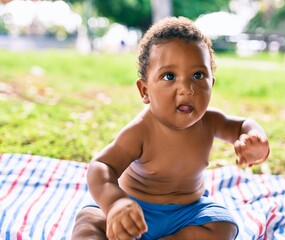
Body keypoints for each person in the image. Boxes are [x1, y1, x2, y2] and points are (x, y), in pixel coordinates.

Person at [72, 16, 270, 240]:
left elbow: (242, 125)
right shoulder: (141, 130)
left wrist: (256, 140)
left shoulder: (210, 121)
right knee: (89, 223)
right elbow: (101, 166)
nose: (186, 88)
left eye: (198, 75)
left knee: (224, 227)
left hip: (187, 212)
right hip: (132, 210)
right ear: (145, 90)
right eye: (169, 76)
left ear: (211, 83)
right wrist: (115, 203)